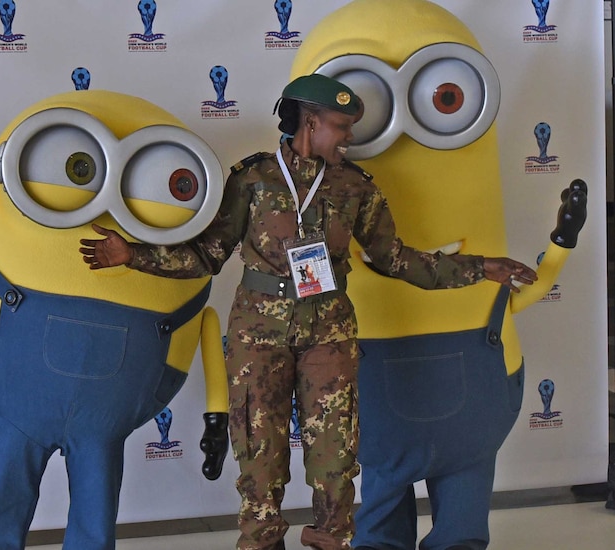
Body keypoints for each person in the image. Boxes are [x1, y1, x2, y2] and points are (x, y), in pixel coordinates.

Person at [79, 74, 537, 550]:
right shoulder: (253, 178)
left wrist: (480, 267)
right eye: (342, 126)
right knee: (260, 461)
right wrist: (133, 255)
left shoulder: (355, 187)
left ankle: (330, 540)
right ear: (311, 121)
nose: (350, 137)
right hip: (257, 337)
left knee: (334, 462)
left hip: (330, 334)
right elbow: (206, 256)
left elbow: (397, 259)